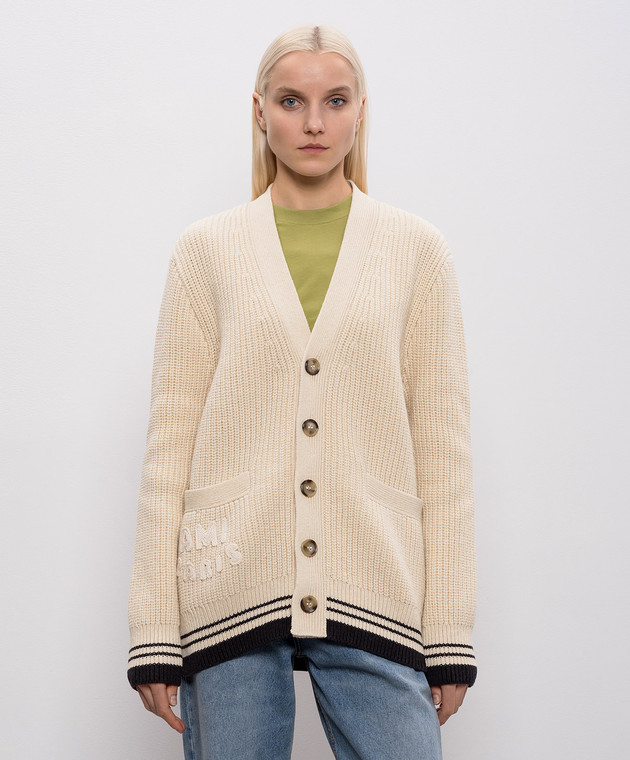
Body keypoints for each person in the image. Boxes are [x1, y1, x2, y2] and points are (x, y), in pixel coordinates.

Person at [128, 22, 478, 760]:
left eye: (335, 100)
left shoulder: (417, 251)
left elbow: (442, 448)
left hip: (373, 580)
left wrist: (449, 631)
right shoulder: (206, 251)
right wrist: (153, 629)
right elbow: (170, 448)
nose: (314, 122)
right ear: (259, 111)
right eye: (291, 101)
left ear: (360, 112)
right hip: (231, 583)